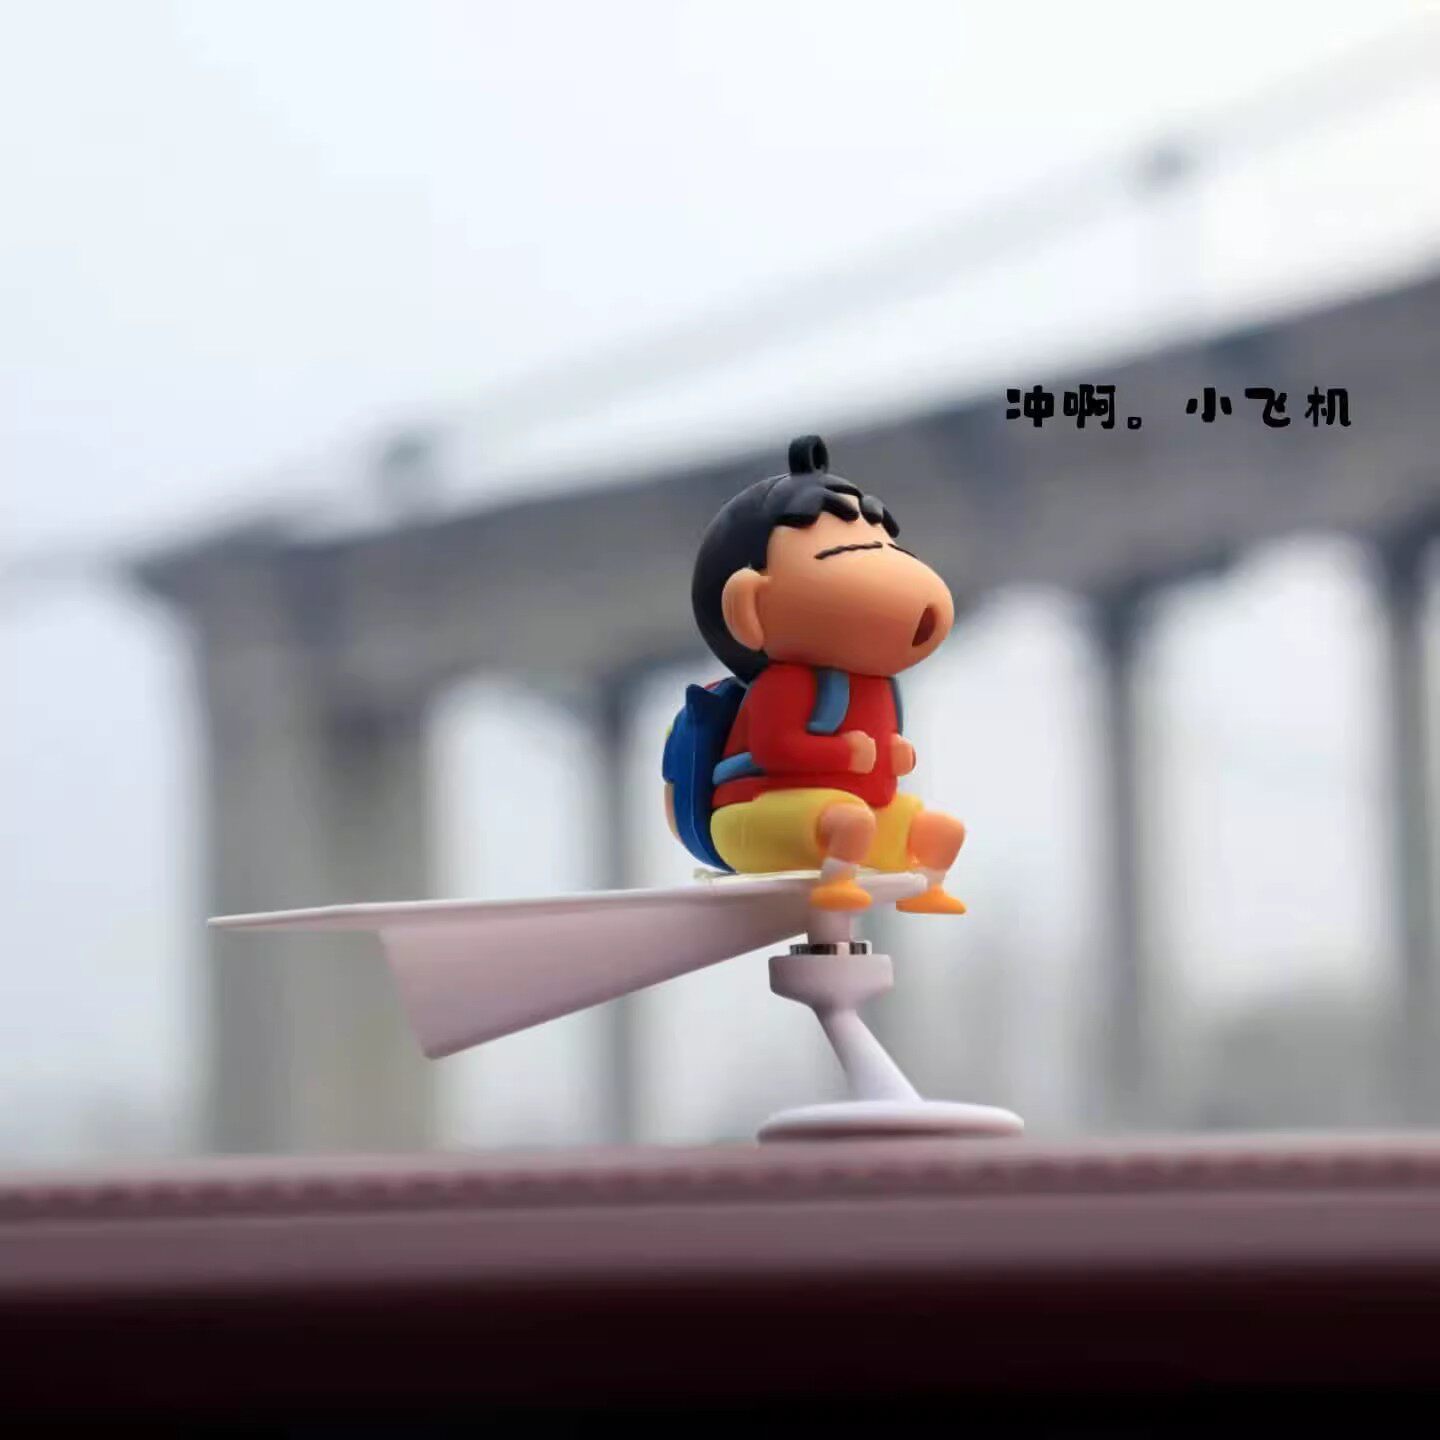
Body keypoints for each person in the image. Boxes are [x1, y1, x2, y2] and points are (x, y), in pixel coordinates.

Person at [672, 434, 967, 914]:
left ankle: (927, 887)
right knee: (850, 824)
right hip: (759, 813)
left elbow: (883, 750)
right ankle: (836, 882)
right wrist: (845, 752)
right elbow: (776, 750)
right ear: (751, 605)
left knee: (939, 831)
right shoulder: (785, 684)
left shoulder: (880, 686)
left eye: (884, 546)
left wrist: (898, 753)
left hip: (850, 814)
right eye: (843, 552)